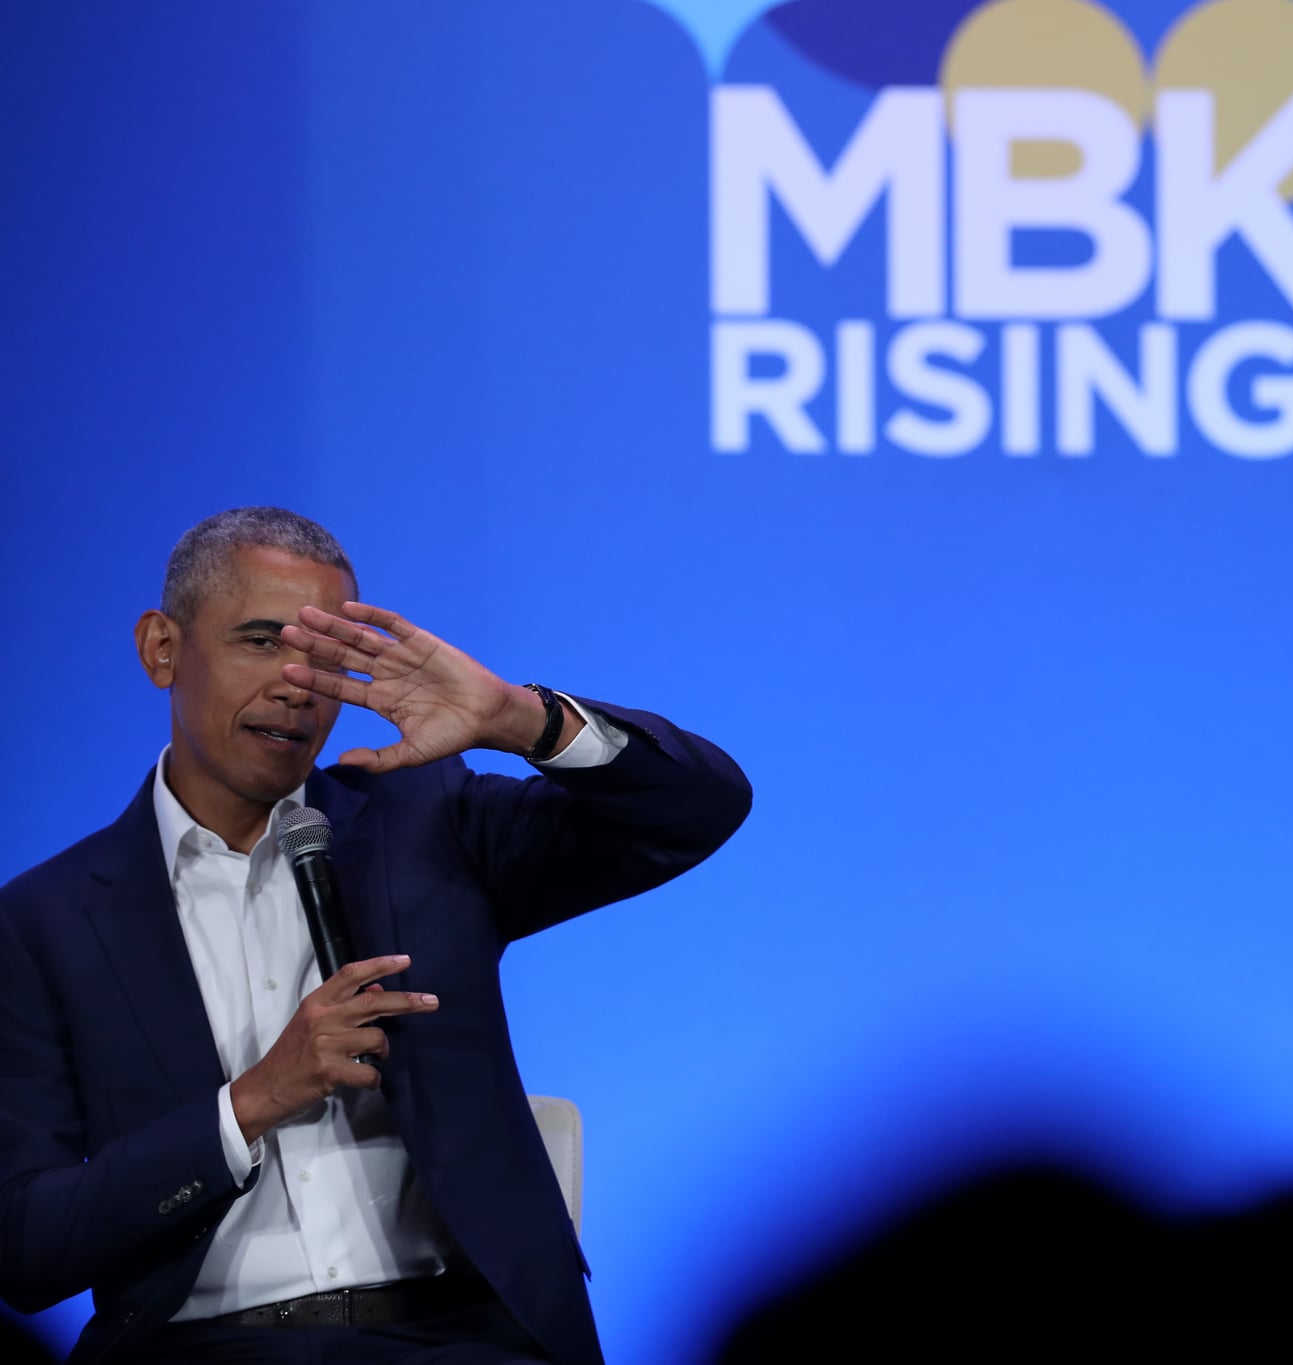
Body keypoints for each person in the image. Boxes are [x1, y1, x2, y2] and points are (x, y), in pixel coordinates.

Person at [0, 508, 752, 1363]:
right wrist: (251, 1103)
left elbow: (698, 809)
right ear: (161, 648)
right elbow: (24, 1245)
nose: (298, 683)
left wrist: (515, 717)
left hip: (459, 1337)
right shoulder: (44, 920)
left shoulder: (427, 824)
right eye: (260, 641)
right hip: (203, 1347)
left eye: (328, 658)